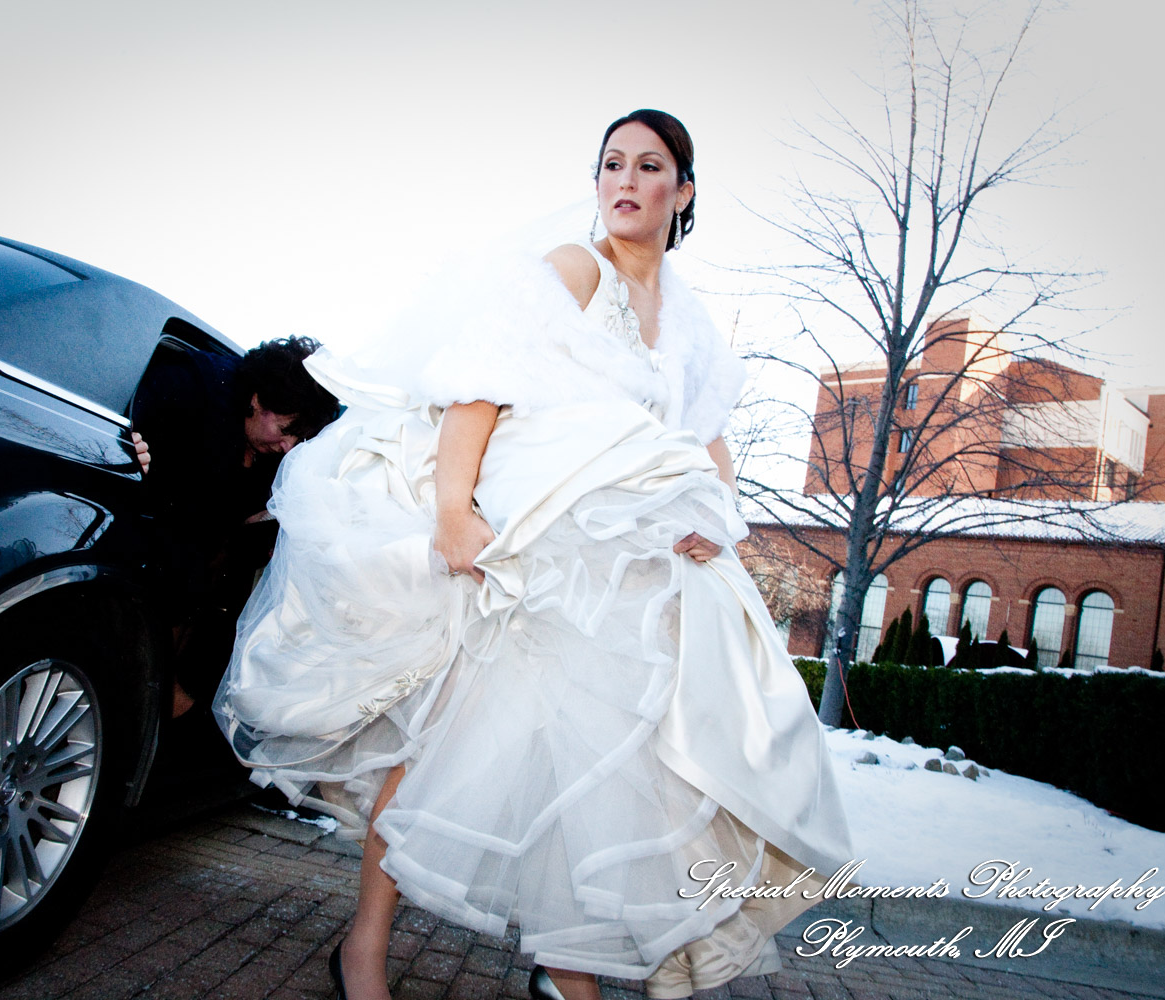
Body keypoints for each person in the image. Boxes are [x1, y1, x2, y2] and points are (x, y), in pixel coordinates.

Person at [215, 111, 851, 1000]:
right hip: (529, 552)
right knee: (445, 744)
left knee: (601, 767)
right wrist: (451, 517)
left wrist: (726, 518)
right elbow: (476, 392)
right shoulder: (572, 271)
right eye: (612, 164)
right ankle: (364, 948)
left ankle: (566, 972)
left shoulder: (693, 325)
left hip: (630, 574)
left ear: (684, 191)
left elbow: (707, 442)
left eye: (649, 166)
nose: (626, 180)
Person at [133, 336, 338, 718]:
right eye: (285, 428)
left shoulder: (279, 460)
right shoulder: (191, 389)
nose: (288, 447)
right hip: (149, 567)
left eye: (300, 437)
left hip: (203, 590)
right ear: (259, 399)